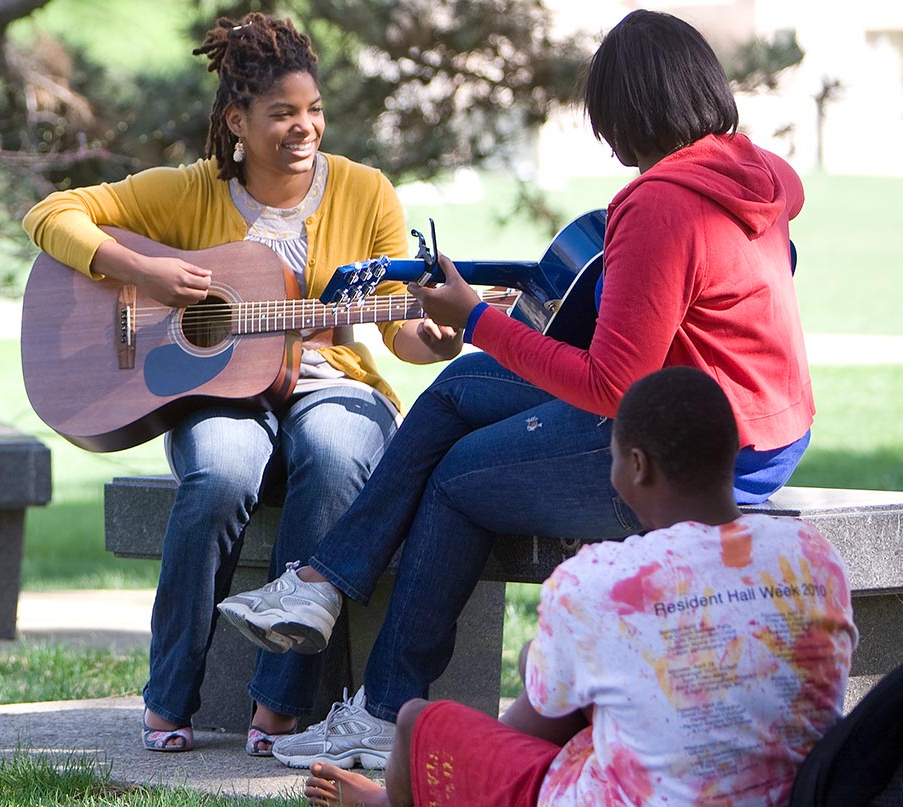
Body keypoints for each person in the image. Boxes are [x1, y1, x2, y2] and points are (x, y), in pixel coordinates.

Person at [223, 9, 816, 772]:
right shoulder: (747, 174)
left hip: (693, 460)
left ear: (626, 113)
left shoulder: (659, 204)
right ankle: (320, 585)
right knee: (462, 385)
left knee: (459, 479)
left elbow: (612, 385)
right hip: (754, 427)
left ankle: (378, 707)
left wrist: (474, 317)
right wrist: (489, 330)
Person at [20, 12, 462, 755]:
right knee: (221, 473)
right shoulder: (187, 192)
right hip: (220, 392)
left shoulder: (365, 191)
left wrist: (439, 338)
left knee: (333, 454)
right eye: (283, 113)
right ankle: (169, 697)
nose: (305, 127)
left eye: (314, 111)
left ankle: (280, 705)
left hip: (332, 383)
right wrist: (143, 270)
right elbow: (49, 212)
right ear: (237, 119)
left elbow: (400, 330)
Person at [303, 367, 856, 807]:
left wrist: (536, 671)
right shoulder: (811, 557)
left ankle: (385, 804)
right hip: (790, 792)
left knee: (416, 723)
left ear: (635, 466)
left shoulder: (601, 582)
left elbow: (525, 734)